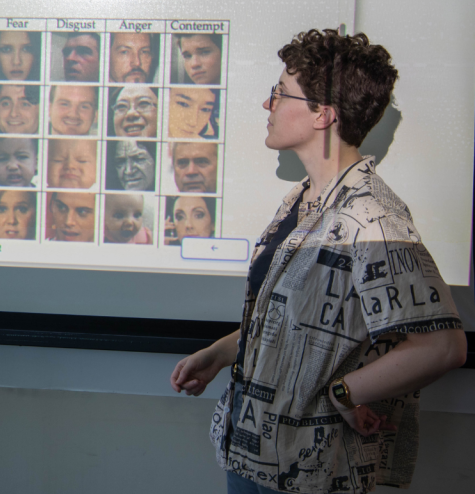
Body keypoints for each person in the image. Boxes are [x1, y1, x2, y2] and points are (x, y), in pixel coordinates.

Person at [169, 29, 467, 494]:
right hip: (252, 454)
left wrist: (344, 393)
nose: (267, 104)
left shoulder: (372, 216)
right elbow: (294, 322)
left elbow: (442, 348)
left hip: (312, 471)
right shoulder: (302, 201)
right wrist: (221, 353)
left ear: (322, 115)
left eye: (279, 93)